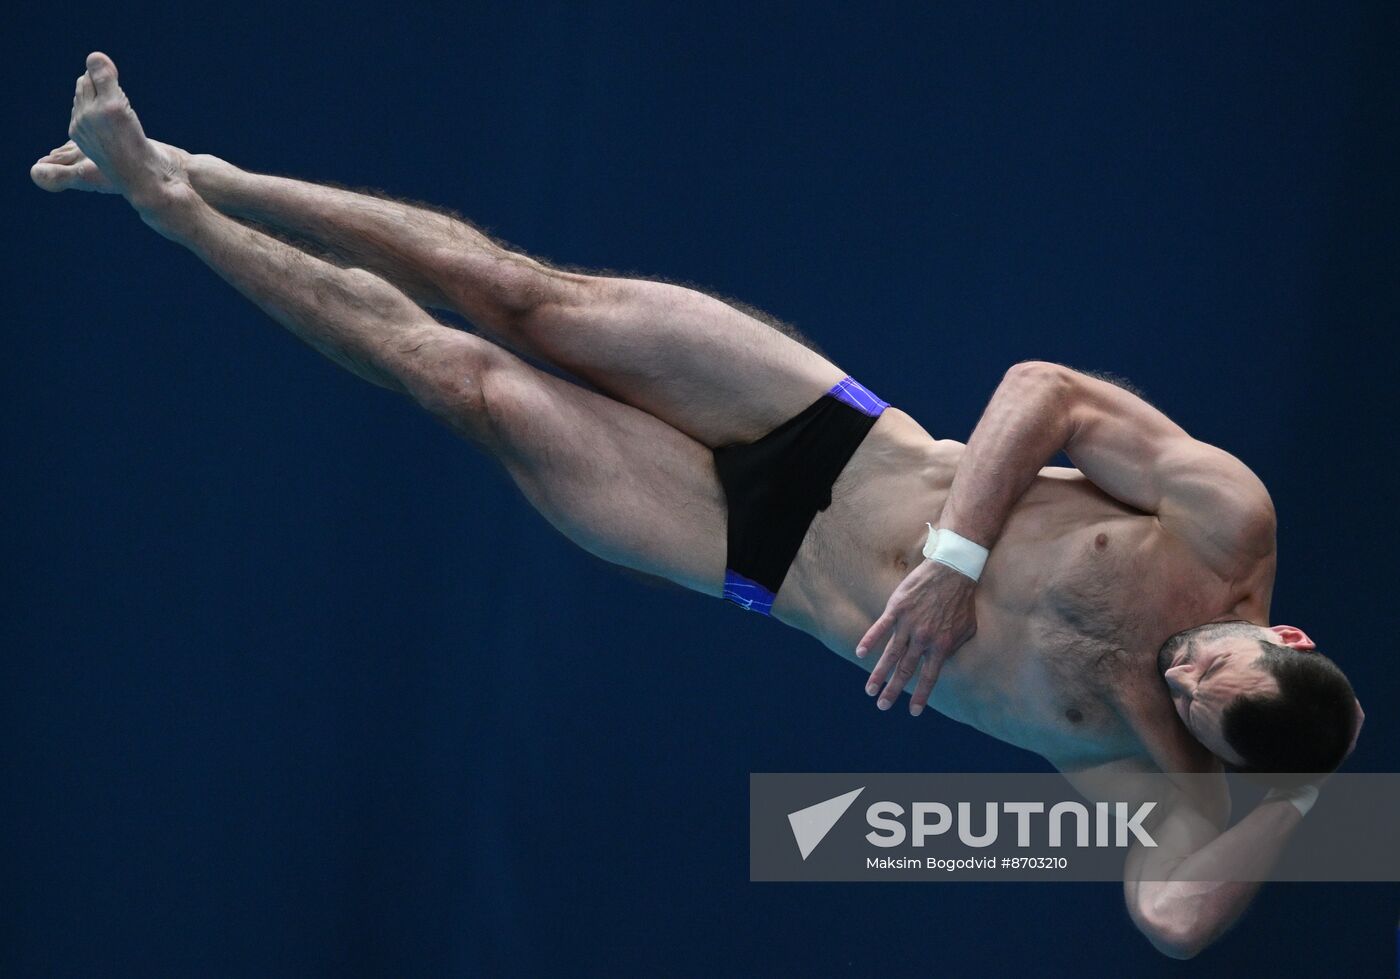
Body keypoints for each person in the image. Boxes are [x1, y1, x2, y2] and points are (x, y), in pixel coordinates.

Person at [33, 53, 1363, 959]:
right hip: (832, 433)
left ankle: (170, 211)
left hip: (756, 560)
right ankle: (211, 171)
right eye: (1212, 663)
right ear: (1284, 635)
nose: (1179, 675)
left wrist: (1301, 810)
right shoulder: (1228, 524)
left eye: (1198, 707)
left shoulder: (1167, 776)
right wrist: (955, 558)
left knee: (468, 383)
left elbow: (1178, 925)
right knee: (523, 295)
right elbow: (1047, 390)